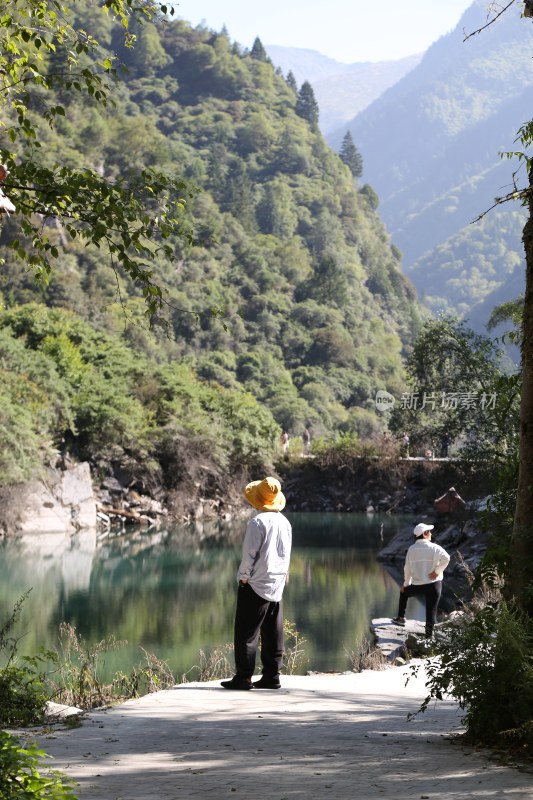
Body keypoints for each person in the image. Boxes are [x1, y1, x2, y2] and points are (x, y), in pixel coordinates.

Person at [221, 476, 292, 691]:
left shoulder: (258, 522)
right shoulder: (285, 522)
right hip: (277, 582)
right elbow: (285, 554)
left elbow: (249, 554)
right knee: (272, 631)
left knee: (246, 632)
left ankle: (244, 677)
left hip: (256, 582)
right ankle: (272, 675)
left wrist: (243, 576)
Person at [392, 522, 450, 638]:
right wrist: (436, 572)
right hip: (434, 585)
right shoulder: (435, 547)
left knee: (403, 592)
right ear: (424, 534)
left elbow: (407, 568)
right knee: (431, 612)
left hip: (418, 585)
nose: (431, 533)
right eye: (429, 531)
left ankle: (401, 618)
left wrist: (406, 584)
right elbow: (447, 558)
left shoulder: (411, 549)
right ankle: (429, 638)